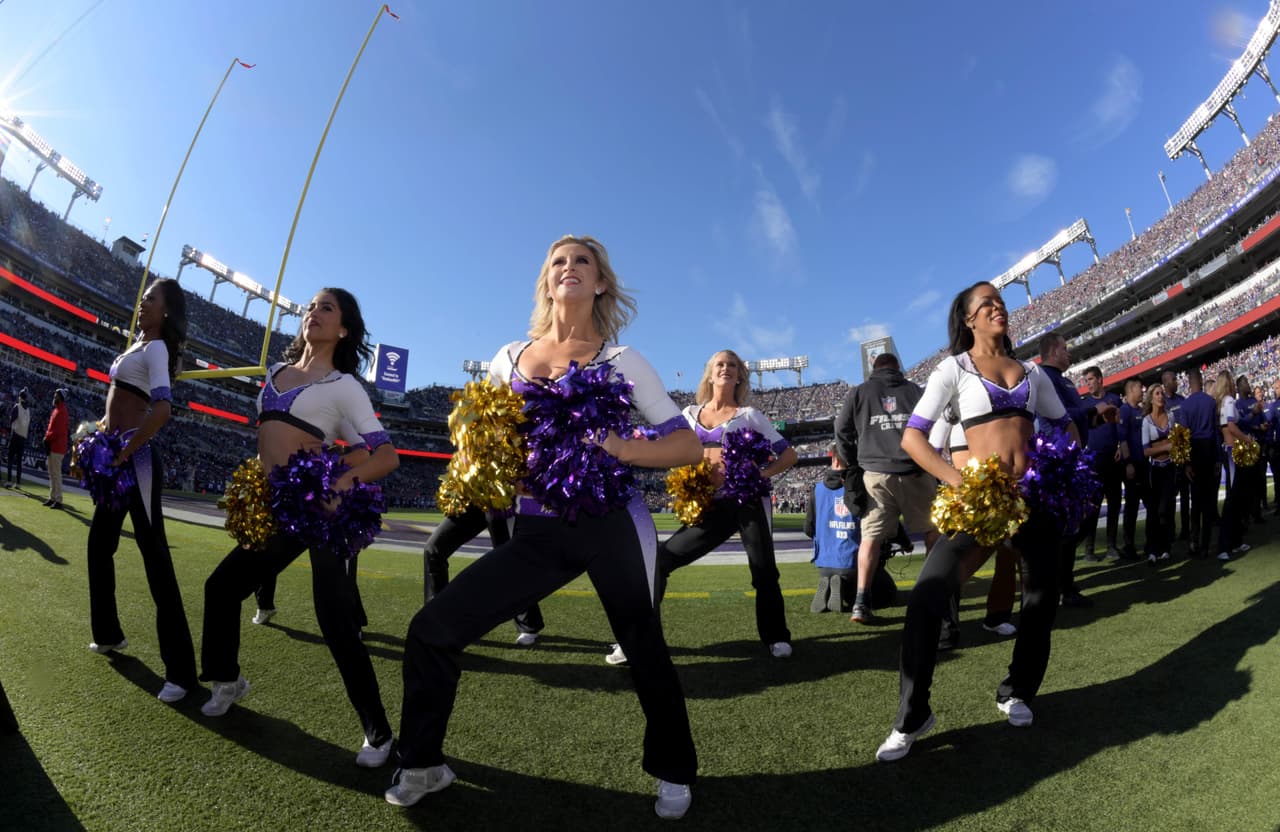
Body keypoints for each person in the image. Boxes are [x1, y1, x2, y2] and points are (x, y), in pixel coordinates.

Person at [389, 236, 702, 819]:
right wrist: (485, 473)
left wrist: (622, 446)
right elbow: (489, 444)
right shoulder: (508, 357)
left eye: (583, 261)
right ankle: (423, 760)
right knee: (433, 626)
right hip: (536, 528)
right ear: (546, 281)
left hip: (612, 521)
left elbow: (687, 444)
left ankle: (674, 769)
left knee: (642, 644)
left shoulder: (623, 360)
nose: (570, 268)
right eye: (558, 261)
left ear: (601, 281)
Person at [199, 288, 401, 772]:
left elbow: (385, 454)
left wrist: (343, 481)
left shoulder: (344, 385)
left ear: (344, 328)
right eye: (311, 306)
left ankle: (379, 732)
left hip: (321, 511)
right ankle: (227, 680)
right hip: (277, 507)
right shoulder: (274, 373)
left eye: (326, 309)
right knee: (222, 587)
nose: (314, 313)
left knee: (334, 619)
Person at [876, 281, 1077, 763]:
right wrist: (959, 482)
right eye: (986, 304)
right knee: (928, 596)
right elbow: (914, 439)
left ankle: (1017, 691)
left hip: (1029, 501)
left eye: (1000, 302)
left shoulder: (1033, 372)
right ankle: (912, 715)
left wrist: (1058, 468)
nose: (997, 308)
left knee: (1041, 598)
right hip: (979, 503)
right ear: (968, 319)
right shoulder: (954, 369)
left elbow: (1065, 426)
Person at [641, 348, 797, 661]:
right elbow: (665, 444)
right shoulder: (688, 414)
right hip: (709, 505)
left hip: (747, 502)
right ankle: (640, 638)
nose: (726, 369)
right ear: (710, 373)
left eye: (732, 365)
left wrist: (762, 473)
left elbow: (789, 454)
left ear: (739, 375)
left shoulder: (750, 416)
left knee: (764, 571)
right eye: (720, 364)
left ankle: (776, 636)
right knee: (662, 560)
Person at [85, 279, 199, 704]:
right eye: (143, 298)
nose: (143, 304)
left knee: (156, 560)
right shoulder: (135, 346)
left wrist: (127, 449)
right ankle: (109, 633)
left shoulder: (156, 350)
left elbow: (163, 409)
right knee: (99, 546)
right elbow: (117, 401)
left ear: (167, 311)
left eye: (151, 299)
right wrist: (101, 436)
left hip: (138, 463)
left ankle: (182, 672)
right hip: (115, 458)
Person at [835, 352, 938, 624]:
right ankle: (932, 593)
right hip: (915, 471)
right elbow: (934, 425)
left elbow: (841, 429)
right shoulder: (915, 390)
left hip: (876, 474)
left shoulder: (859, 392)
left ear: (873, 367)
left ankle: (861, 601)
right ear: (898, 367)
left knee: (870, 538)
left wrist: (853, 462)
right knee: (932, 533)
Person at [1039, 334, 1115, 607]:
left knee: (1079, 521)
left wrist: (1094, 418)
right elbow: (1060, 415)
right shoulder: (1045, 377)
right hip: (1058, 457)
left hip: (1073, 455)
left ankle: (1062, 581)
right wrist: (1094, 408)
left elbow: (1076, 416)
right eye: (1065, 348)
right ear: (1052, 351)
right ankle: (1060, 585)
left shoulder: (1064, 380)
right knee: (1070, 524)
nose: (1069, 353)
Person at [422, 504, 544, 644]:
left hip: (500, 498)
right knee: (433, 548)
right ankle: (436, 620)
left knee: (507, 560)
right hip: (472, 498)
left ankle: (529, 624)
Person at [804, 444, 860, 613]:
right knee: (884, 592)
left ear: (834, 460)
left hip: (823, 561)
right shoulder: (858, 489)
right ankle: (844, 587)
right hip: (851, 561)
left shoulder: (817, 490)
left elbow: (808, 528)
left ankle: (828, 579)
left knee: (830, 571)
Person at [1079, 366, 1123, 562]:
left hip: (1113, 460)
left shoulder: (1114, 400)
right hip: (1093, 462)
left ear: (1100, 380)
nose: (1087, 383)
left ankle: (1112, 546)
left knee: (1114, 504)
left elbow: (1121, 426)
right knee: (1092, 507)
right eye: (1086, 380)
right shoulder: (1085, 405)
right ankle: (1089, 549)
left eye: (1090, 379)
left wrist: (1122, 445)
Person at [1176, 369, 1218, 559]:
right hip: (1208, 449)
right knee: (1209, 501)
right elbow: (1216, 431)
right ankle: (1206, 544)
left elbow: (1182, 436)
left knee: (1196, 500)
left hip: (1193, 450)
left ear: (1188, 383)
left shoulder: (1185, 406)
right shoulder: (1210, 402)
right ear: (1200, 381)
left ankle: (1193, 540)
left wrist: (1186, 463)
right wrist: (1217, 458)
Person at [1211, 370, 1251, 561]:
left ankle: (1235, 541)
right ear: (1228, 384)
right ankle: (1223, 546)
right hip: (1232, 452)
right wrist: (1247, 440)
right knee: (1231, 500)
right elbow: (1232, 427)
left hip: (1231, 452)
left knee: (1237, 498)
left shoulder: (1222, 402)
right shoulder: (1228, 401)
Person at [1141, 384, 1176, 564]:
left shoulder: (1171, 416)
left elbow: (1176, 440)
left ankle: (1166, 548)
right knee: (1154, 511)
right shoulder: (1146, 421)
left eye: (1162, 393)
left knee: (1165, 509)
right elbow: (1146, 451)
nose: (1161, 396)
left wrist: (1173, 448)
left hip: (1170, 467)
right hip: (1154, 470)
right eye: (1157, 394)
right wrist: (1165, 447)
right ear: (1151, 398)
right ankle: (1153, 549)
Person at [1117, 379, 1148, 561]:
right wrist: (1128, 463)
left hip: (1144, 463)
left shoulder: (1141, 411)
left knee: (1149, 502)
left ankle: (1151, 541)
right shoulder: (1126, 411)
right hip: (1133, 464)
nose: (1142, 390)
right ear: (1130, 390)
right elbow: (1123, 440)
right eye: (1139, 387)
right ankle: (1128, 545)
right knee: (1132, 506)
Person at [1162, 371, 1191, 541]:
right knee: (1170, 496)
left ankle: (1186, 529)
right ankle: (1170, 531)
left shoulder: (1182, 400)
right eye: (1173, 379)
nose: (1176, 381)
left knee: (1186, 494)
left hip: (1184, 454)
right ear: (1165, 383)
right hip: (1169, 456)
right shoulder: (1161, 402)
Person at [43, 388, 69, 509]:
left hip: (57, 447)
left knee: (56, 474)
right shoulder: (57, 410)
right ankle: (53, 497)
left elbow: (57, 431)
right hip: (53, 445)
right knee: (52, 473)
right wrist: (47, 439)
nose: (54, 397)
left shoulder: (62, 411)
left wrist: (47, 438)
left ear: (61, 397)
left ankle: (58, 499)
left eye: (56, 395)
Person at [4, 388, 30, 487]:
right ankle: (18, 483)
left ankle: (9, 481)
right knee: (19, 462)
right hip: (23, 438)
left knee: (10, 459)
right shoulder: (28, 410)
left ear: (20, 397)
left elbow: (12, 420)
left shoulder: (17, 406)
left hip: (15, 435)